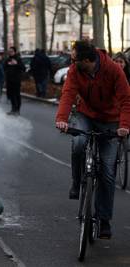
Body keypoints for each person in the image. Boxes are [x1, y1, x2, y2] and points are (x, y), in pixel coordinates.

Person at [56, 40, 130, 239]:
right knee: (79, 142)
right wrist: (62, 119)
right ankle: (76, 181)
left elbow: (125, 99)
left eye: (74, 59)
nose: (71, 62)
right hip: (86, 114)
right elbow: (68, 94)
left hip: (110, 120)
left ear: (87, 60)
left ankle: (104, 219)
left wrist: (124, 125)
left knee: (107, 171)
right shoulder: (75, 71)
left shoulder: (113, 69)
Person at [3, 46, 25, 115]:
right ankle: (13, 109)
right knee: (11, 95)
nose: (10, 53)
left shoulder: (18, 59)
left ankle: (17, 110)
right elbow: (4, 67)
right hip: (9, 80)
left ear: (15, 52)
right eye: (9, 52)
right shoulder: (7, 59)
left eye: (11, 51)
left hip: (16, 80)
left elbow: (23, 68)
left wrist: (16, 64)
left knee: (17, 95)